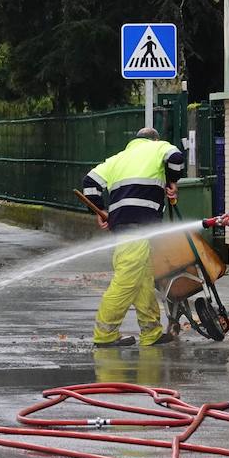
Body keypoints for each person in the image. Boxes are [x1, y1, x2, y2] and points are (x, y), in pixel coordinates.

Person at [80, 126, 186, 347]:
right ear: (154, 139)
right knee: (126, 280)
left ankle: (151, 332)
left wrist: (100, 211)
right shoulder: (159, 148)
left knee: (143, 279)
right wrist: (172, 180)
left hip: (123, 225)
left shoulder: (118, 158)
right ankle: (105, 334)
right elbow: (176, 158)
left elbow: (89, 182)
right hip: (139, 225)